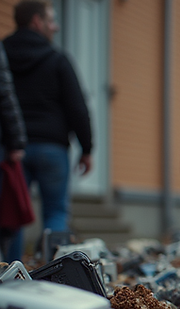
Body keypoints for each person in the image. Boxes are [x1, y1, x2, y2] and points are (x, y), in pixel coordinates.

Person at [3, 0, 91, 260]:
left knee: (12, 213)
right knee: (55, 212)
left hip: (11, 147)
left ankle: (9, 274)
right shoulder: (57, 59)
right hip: (52, 148)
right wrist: (86, 148)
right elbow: (77, 107)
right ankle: (55, 274)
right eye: (52, 20)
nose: (56, 26)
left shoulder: (2, 54)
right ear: (36, 22)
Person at [0, 41, 27, 261]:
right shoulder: (58, 59)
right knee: (13, 210)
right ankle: (11, 270)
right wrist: (16, 140)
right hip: (52, 144)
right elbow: (4, 91)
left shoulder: (7, 46)